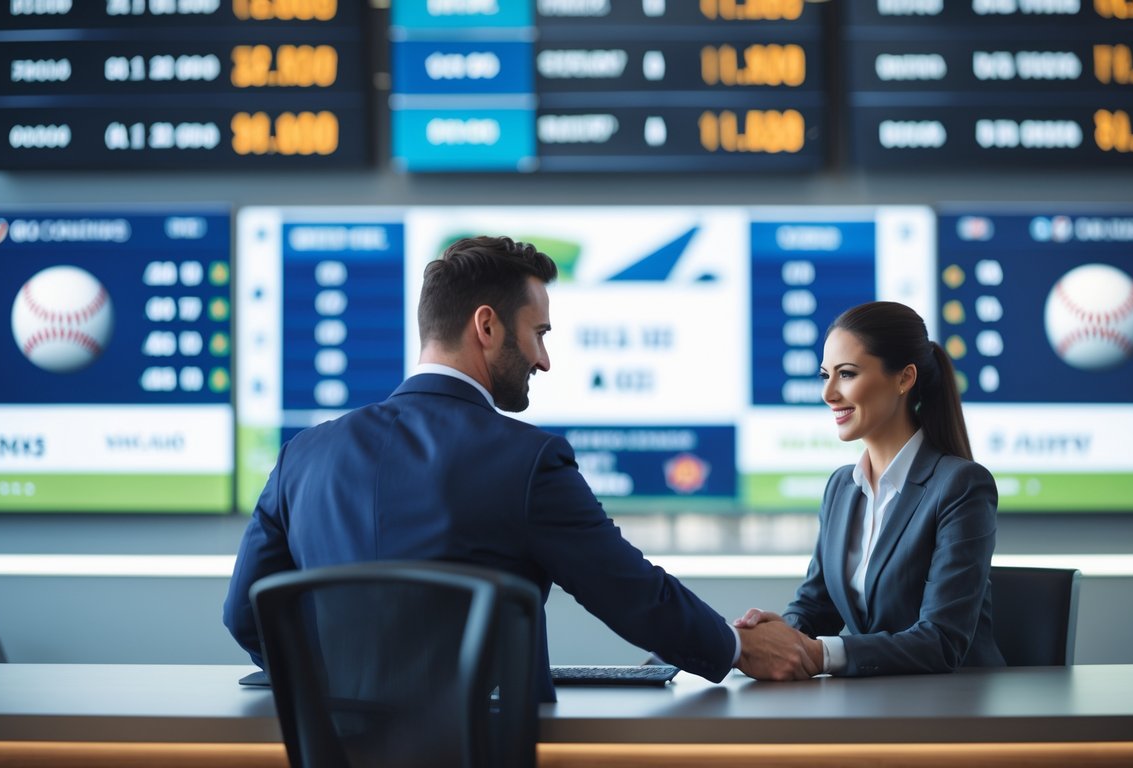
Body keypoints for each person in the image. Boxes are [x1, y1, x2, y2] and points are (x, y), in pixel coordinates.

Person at [223, 235, 810, 701]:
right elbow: (631, 594)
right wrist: (736, 649)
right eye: (539, 334)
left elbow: (244, 612)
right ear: (486, 326)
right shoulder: (526, 459)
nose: (544, 360)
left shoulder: (303, 454)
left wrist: (342, 691)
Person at [736, 301, 1005, 678]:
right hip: (876, 702)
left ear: (904, 379)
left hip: (956, 710)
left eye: (846, 374)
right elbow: (817, 606)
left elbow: (941, 642)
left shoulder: (961, 486)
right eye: (824, 375)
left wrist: (817, 654)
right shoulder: (842, 487)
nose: (828, 393)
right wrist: (773, 636)